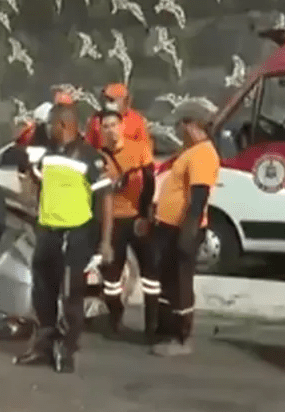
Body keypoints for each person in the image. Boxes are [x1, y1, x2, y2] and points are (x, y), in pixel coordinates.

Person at [15, 103, 114, 373]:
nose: (47, 129)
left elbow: (106, 199)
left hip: (76, 233)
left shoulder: (89, 158)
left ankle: (66, 349)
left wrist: (105, 242)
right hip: (47, 231)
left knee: (71, 295)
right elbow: (36, 181)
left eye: (49, 124)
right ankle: (43, 346)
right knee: (42, 292)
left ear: (62, 125)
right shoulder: (48, 156)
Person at [150, 101, 220, 356]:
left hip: (183, 230)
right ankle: (167, 330)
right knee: (169, 281)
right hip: (170, 227)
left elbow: (198, 197)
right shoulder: (189, 152)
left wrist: (188, 234)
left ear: (192, 125)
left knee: (180, 282)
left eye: (181, 125)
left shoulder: (202, 153)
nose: (178, 130)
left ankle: (181, 337)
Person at [96, 109, 160, 340]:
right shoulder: (99, 157)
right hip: (113, 221)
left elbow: (150, 183)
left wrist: (145, 216)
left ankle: (152, 326)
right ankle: (115, 317)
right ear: (101, 131)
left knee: (150, 275)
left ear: (122, 126)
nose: (110, 130)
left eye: (114, 125)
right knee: (111, 277)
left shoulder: (139, 148)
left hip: (137, 218)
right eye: (106, 126)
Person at [85, 83, 151, 151]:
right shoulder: (95, 120)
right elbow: (89, 147)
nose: (107, 103)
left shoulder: (137, 120)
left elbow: (145, 149)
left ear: (126, 101)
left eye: (111, 100)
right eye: (105, 99)